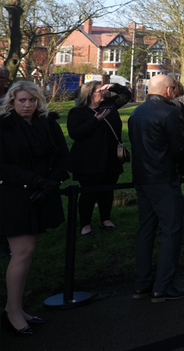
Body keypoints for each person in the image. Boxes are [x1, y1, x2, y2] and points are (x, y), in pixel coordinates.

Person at [0, 81, 69, 334]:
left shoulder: (47, 122)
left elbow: (63, 155)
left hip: (44, 192)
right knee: (23, 251)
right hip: (15, 193)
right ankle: (13, 312)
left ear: (38, 101)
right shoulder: (4, 126)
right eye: (21, 101)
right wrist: (37, 182)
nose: (27, 105)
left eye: (31, 100)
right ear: (12, 102)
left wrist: (52, 182)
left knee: (29, 251)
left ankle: (15, 307)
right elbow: (3, 164)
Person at [129, 74, 184, 302]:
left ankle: (142, 284)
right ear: (169, 90)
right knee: (171, 229)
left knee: (146, 230)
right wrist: (182, 169)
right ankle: (163, 285)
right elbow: (178, 148)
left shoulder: (136, 112)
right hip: (163, 177)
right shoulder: (169, 113)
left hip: (141, 178)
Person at [68, 81, 133, 236]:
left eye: (103, 90)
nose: (103, 93)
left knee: (107, 190)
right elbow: (75, 133)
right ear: (89, 94)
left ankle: (106, 219)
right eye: (99, 91)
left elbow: (126, 95)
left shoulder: (110, 105)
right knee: (88, 193)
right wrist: (95, 120)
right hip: (88, 160)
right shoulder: (78, 112)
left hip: (111, 158)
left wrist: (113, 86)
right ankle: (85, 224)